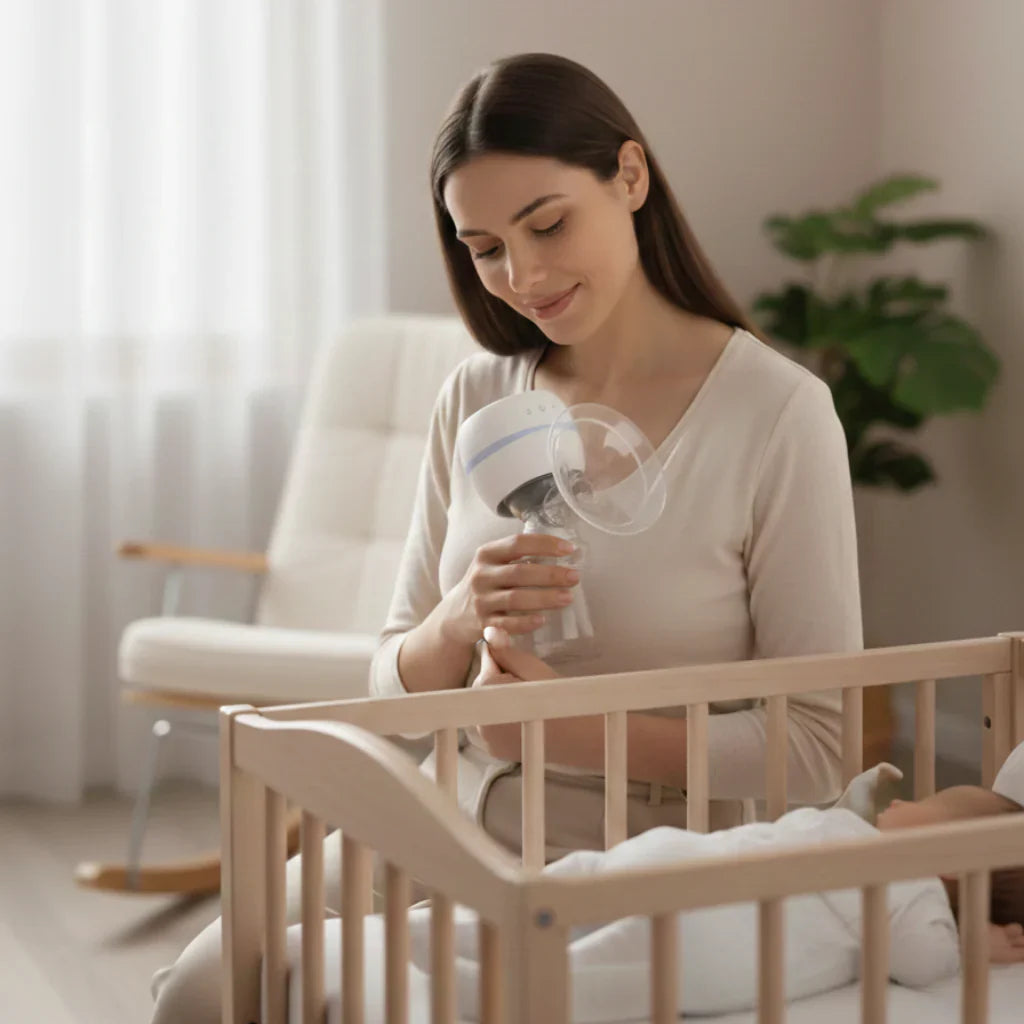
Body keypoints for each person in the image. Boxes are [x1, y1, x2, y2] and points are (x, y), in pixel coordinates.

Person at [149, 51, 861, 1022]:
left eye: (547, 224)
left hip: (628, 849)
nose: (521, 276)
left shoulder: (777, 413)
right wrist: (450, 624)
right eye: (484, 247)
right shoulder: (478, 396)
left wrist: (584, 731)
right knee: (209, 980)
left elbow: (816, 746)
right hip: (434, 810)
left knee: (302, 988)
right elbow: (387, 685)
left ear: (631, 177)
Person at [406, 719, 1024, 1020]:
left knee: (600, 950)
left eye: (929, 808)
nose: (908, 801)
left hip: (701, 915)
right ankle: (463, 943)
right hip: (697, 880)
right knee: (587, 911)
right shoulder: (861, 841)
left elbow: (924, 960)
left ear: (952, 866)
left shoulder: (909, 888)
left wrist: (974, 940)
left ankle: (471, 971)